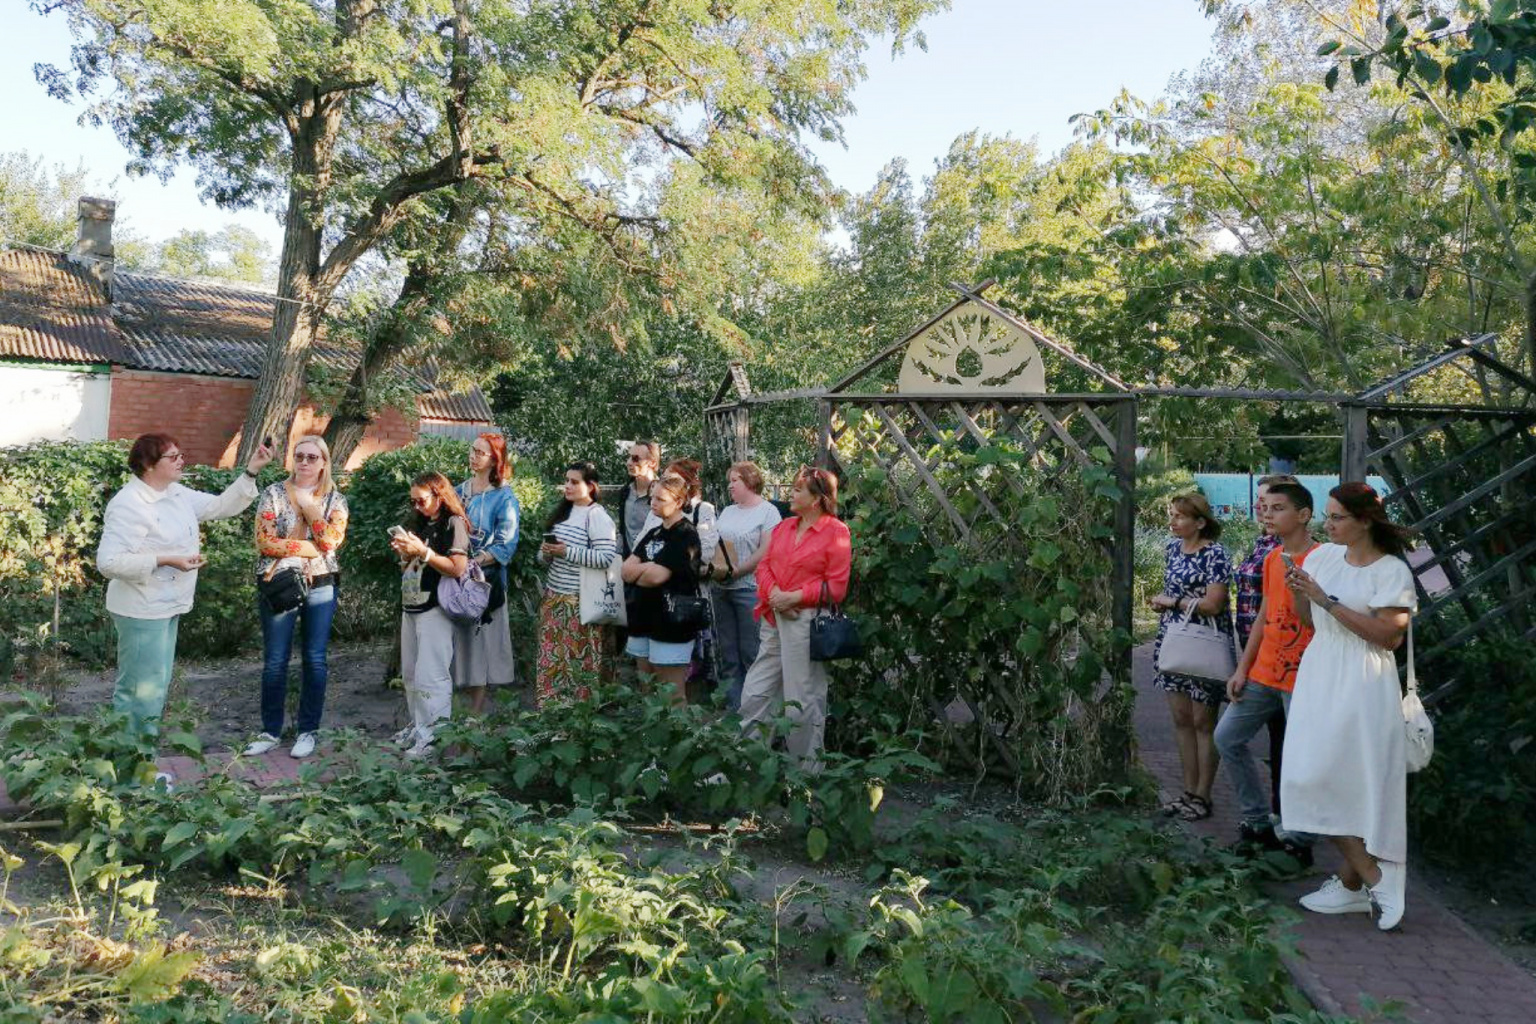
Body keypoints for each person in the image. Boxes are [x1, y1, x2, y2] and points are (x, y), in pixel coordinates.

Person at [1281, 482, 1416, 931]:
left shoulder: (1391, 571)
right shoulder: (1321, 557)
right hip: (1321, 671)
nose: (1327, 524)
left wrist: (1326, 599)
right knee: (1308, 776)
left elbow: (1388, 637)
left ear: (1364, 521)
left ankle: (1377, 877)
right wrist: (1302, 590)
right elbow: (1307, 619)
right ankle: (1358, 882)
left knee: (1352, 780)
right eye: (1328, 515)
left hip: (1364, 679)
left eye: (1337, 517)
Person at [96, 433, 273, 755]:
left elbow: (219, 506)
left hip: (166, 605)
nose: (182, 461)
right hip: (140, 609)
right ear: (149, 465)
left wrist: (251, 472)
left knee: (154, 690)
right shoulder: (129, 504)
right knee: (138, 692)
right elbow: (108, 562)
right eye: (173, 457)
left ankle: (141, 769)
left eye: (181, 454)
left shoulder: (175, 493)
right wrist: (165, 559)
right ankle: (128, 777)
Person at [1214, 481, 1317, 859]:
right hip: (1264, 672)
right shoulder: (1273, 558)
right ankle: (1256, 821)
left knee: (1298, 756)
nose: (1268, 514)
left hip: (1303, 675)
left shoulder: (1323, 559)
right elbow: (1263, 615)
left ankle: (1299, 839)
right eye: (1266, 508)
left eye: (1278, 508)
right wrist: (1243, 668)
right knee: (1227, 738)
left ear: (1303, 515)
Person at [737, 465, 852, 770]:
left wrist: (794, 597)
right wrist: (775, 594)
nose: (791, 493)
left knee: (802, 703)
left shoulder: (836, 532)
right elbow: (764, 567)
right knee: (755, 693)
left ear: (816, 499)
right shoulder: (785, 527)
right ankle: (744, 768)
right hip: (774, 617)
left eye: (798, 489)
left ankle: (806, 778)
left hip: (806, 623)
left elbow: (836, 587)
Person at [244, 435, 350, 760]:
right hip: (280, 582)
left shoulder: (336, 500)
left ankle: (307, 731)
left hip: (321, 584)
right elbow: (265, 542)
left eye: (311, 458)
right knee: (275, 660)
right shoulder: (273, 493)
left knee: (315, 659)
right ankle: (270, 731)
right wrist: (310, 548)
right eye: (299, 456)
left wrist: (310, 508)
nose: (304, 462)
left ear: (323, 463)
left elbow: (332, 540)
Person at [1149, 492, 1233, 822]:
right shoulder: (1172, 549)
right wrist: (1166, 603)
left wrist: (1172, 603)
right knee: (1181, 719)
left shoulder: (1215, 554)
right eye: (1172, 515)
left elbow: (1214, 603)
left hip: (1205, 643)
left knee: (1203, 722)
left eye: (1181, 516)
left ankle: (1203, 794)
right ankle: (1187, 792)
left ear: (1200, 522)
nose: (1173, 521)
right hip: (1173, 640)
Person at [1231, 474, 1300, 819]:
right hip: (1255, 651)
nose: (1262, 507)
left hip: (1283, 655)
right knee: (1264, 738)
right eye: (1261, 501)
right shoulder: (1263, 545)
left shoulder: (1286, 549)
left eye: (1272, 502)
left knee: (1285, 740)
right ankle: (1271, 816)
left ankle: (1287, 820)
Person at [390, 472, 471, 758]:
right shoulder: (422, 523)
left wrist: (422, 552)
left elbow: (458, 567)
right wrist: (406, 554)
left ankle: (433, 738)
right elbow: (412, 565)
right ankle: (418, 727)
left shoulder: (454, 522)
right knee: (411, 673)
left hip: (437, 607)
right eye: (412, 502)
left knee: (432, 674)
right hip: (412, 604)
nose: (417, 508)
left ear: (439, 495)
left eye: (422, 501)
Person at [536, 462, 618, 705]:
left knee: (577, 662)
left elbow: (606, 558)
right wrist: (547, 553)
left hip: (581, 602)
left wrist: (567, 551)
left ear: (591, 487)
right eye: (566, 481)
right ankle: (549, 714)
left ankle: (578, 717)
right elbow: (543, 560)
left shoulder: (598, 516)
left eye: (574, 482)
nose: (567, 486)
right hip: (554, 598)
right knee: (551, 661)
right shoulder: (563, 512)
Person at [705, 461, 782, 711]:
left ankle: (757, 714)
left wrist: (740, 570)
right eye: (730, 481)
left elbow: (767, 550)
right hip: (723, 588)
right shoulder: (727, 511)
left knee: (752, 653)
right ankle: (733, 713)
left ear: (750, 481)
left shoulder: (768, 511)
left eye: (734, 480)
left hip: (749, 589)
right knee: (728, 653)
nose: (730, 486)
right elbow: (717, 545)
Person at [453, 433, 521, 714]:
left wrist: (477, 560)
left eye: (481, 452)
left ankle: (475, 715)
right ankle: (455, 710)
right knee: (457, 643)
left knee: (480, 646)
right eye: (472, 450)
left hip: (484, 582)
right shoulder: (458, 491)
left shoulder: (504, 496)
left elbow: (508, 543)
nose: (474, 456)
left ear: (495, 459)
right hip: (454, 578)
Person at [621, 475, 704, 703]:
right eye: (652, 498)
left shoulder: (686, 534)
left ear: (678, 502)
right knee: (647, 689)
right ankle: (651, 737)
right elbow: (626, 570)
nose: (653, 503)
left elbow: (656, 578)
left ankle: (678, 737)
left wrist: (646, 567)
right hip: (643, 618)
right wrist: (647, 567)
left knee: (672, 694)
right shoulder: (653, 532)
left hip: (670, 623)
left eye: (660, 499)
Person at [617, 440, 661, 557]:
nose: (629, 463)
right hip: (627, 561)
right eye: (629, 458)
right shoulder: (626, 492)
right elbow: (623, 531)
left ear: (652, 463)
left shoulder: (664, 495)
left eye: (636, 459)